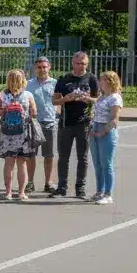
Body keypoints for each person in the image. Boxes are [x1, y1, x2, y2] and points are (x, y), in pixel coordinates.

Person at [51, 52, 98, 199]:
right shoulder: (64, 79)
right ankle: (62, 187)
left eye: (83, 64)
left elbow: (98, 99)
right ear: (73, 63)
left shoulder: (91, 79)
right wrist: (66, 98)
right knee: (63, 157)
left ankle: (80, 189)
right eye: (78, 63)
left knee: (82, 157)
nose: (80, 66)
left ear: (87, 64)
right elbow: (55, 101)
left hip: (84, 123)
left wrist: (87, 99)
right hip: (66, 123)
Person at [0, 69, 38, 201]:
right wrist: (23, 111)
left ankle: (8, 192)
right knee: (21, 163)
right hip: (22, 132)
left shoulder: (2, 95)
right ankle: (21, 193)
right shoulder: (28, 95)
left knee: (9, 163)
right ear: (23, 80)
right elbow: (34, 113)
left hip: (7, 133)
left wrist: (6, 109)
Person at [25, 56, 58, 195]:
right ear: (35, 68)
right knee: (31, 155)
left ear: (49, 67)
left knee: (49, 155)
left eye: (44, 67)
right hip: (33, 123)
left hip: (50, 123)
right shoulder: (28, 84)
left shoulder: (55, 83)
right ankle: (30, 182)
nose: (42, 69)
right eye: (39, 67)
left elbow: (59, 101)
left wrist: (57, 115)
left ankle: (48, 182)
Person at [90, 70, 124, 205]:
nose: (100, 82)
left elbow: (114, 120)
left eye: (103, 80)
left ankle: (108, 194)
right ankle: (99, 191)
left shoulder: (115, 98)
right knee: (97, 164)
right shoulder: (102, 96)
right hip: (95, 128)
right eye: (100, 80)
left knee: (106, 164)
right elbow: (96, 110)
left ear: (110, 82)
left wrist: (102, 132)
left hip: (106, 131)